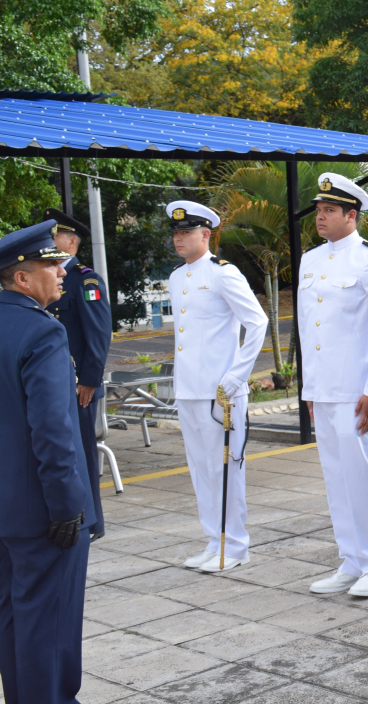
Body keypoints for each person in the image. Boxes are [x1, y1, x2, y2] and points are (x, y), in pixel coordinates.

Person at [0, 221, 95, 704]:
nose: (62, 272)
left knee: (10, 610)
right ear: (23, 278)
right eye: (51, 265)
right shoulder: (43, 333)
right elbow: (52, 431)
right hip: (44, 511)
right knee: (50, 621)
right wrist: (67, 505)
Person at [299, 174, 368, 598]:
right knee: (336, 479)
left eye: (329, 210)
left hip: (357, 392)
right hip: (324, 390)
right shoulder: (311, 260)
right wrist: (309, 390)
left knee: (361, 479)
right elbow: (309, 329)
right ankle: (351, 560)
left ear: (352, 215)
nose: (320, 217)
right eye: (319, 210)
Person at [166, 201, 269, 573]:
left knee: (225, 470)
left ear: (206, 234)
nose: (179, 238)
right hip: (188, 388)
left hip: (220, 391)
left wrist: (236, 377)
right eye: (176, 233)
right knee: (200, 470)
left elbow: (257, 322)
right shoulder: (177, 278)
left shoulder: (223, 273)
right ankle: (213, 540)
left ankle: (234, 545)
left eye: (187, 232)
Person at [43, 208, 112, 540]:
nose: (48, 241)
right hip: (55, 382)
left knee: (84, 452)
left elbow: (98, 334)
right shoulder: (47, 277)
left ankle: (93, 521)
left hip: (79, 387)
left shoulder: (85, 279)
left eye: (54, 236)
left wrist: (89, 380)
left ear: (71, 242)